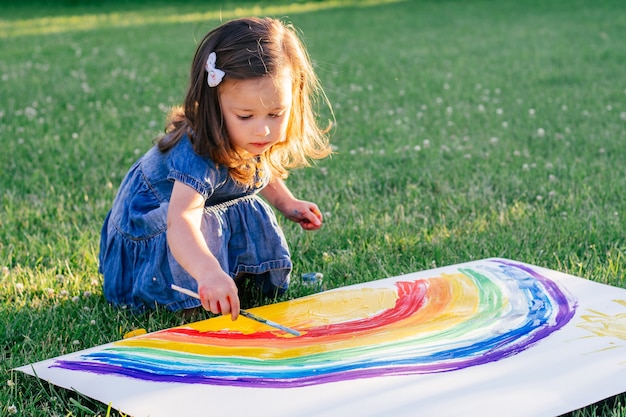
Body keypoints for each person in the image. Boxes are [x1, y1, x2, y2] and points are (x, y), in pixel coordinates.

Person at [98, 17, 333, 320]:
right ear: (214, 105)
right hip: (160, 223)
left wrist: (287, 203)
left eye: (275, 113)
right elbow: (181, 220)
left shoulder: (250, 137)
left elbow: (256, 168)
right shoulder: (198, 149)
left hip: (200, 211)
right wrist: (207, 272)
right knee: (198, 227)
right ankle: (195, 286)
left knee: (232, 209)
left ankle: (223, 273)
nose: (262, 130)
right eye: (245, 116)